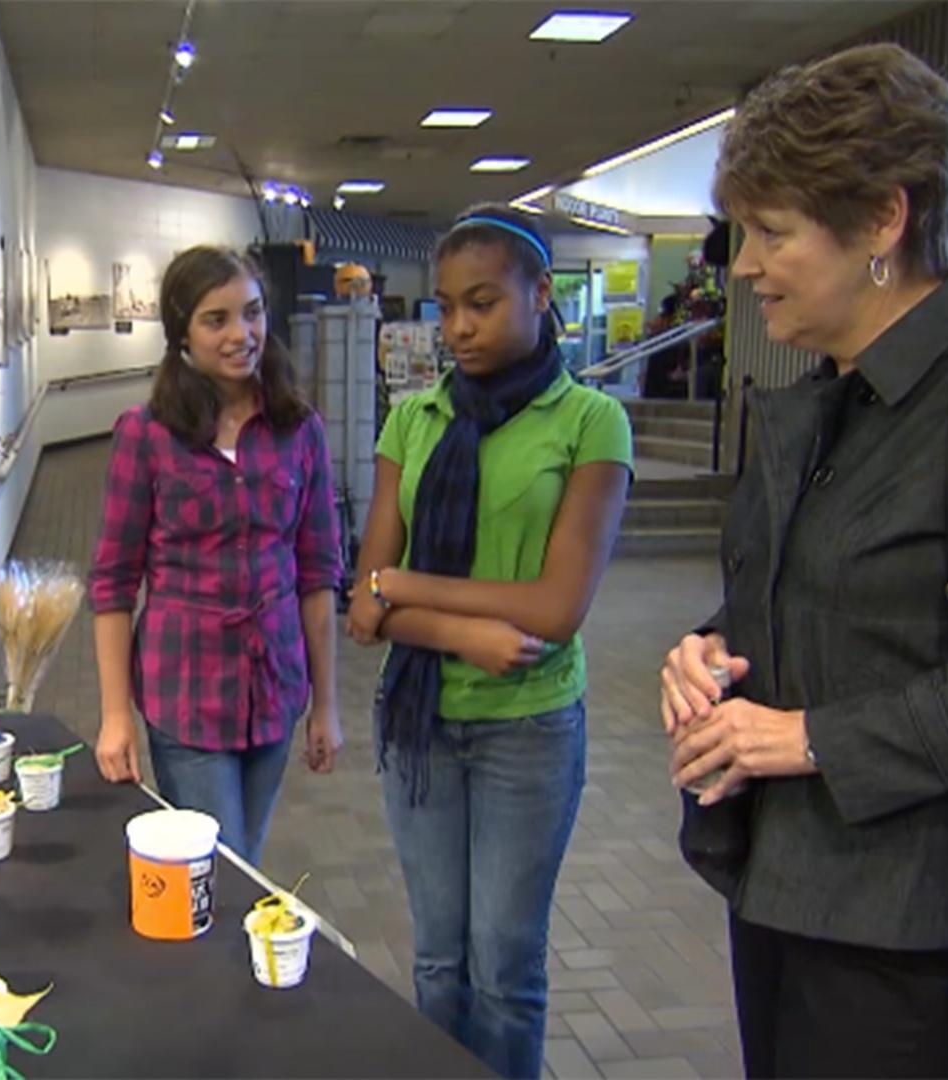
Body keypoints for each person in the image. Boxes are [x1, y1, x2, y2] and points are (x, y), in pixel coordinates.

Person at [660, 44, 948, 1078]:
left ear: (885, 221)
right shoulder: (832, 398)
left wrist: (812, 741)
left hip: (907, 920)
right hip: (781, 879)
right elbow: (806, 600)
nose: (743, 266)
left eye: (772, 232)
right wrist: (708, 652)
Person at [347, 205, 632, 1080]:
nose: (460, 327)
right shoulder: (414, 419)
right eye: (445, 307)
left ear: (541, 295)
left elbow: (556, 608)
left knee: (505, 968)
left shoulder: (589, 423)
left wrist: (406, 589)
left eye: (482, 303)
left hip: (530, 730)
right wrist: (462, 631)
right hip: (420, 727)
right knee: (438, 959)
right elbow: (363, 605)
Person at [90, 245, 343, 865]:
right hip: (187, 693)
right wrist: (114, 715)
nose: (242, 334)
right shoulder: (146, 434)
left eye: (253, 313)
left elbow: (317, 573)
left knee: (242, 861)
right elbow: (113, 584)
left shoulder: (298, 429)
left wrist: (326, 705)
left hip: (276, 685)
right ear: (182, 333)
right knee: (223, 867)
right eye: (217, 319)